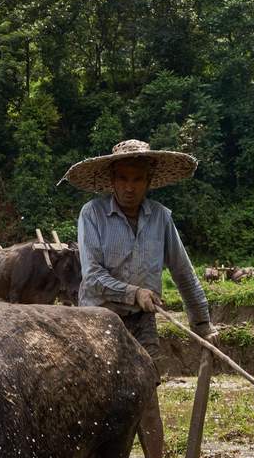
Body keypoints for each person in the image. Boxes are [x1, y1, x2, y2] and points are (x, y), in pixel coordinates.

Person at [61, 139, 216, 361]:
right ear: (112, 180)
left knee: (148, 379)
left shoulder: (161, 217)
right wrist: (134, 293)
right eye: (123, 178)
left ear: (148, 181)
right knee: (103, 385)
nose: (129, 187)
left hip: (142, 317)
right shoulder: (92, 214)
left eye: (137, 179)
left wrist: (203, 327)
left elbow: (184, 274)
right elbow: (93, 276)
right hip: (99, 316)